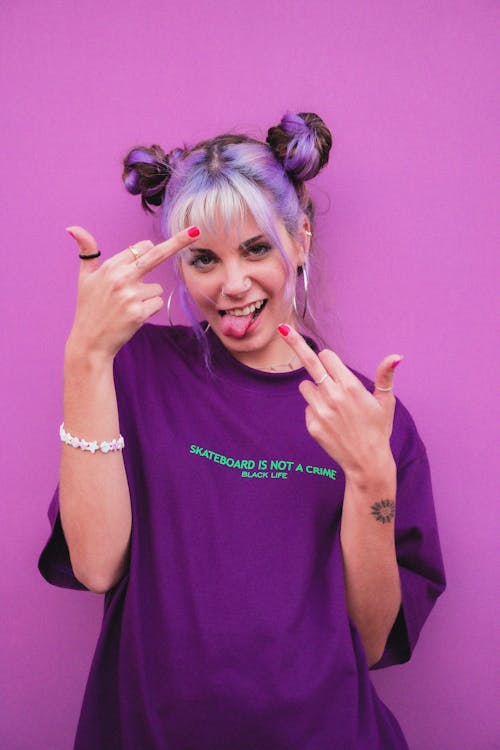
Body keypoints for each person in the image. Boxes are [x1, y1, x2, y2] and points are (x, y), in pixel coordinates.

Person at [39, 111, 446, 750]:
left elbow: (368, 642)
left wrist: (371, 477)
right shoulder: (135, 368)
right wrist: (85, 354)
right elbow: (96, 566)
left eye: (257, 248)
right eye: (204, 258)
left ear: (301, 240)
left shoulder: (366, 414)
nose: (233, 284)